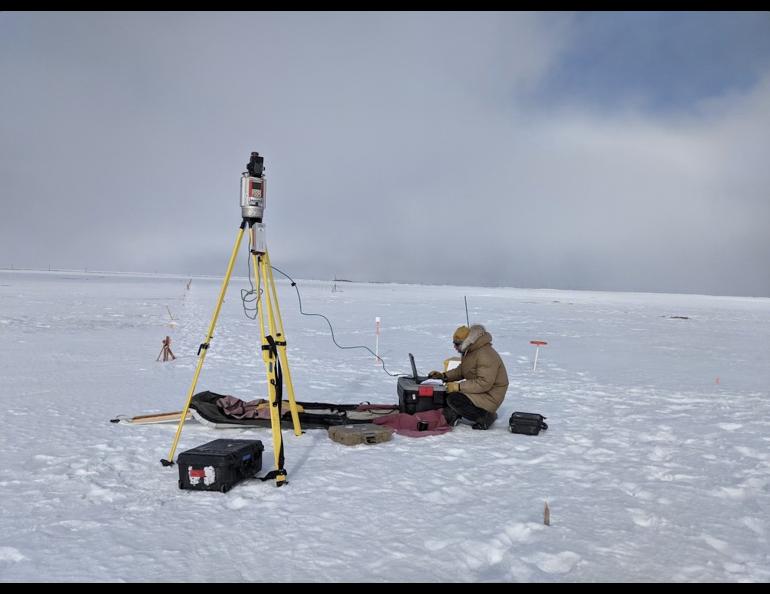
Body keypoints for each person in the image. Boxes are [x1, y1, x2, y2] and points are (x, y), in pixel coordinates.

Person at [428, 324, 509, 430]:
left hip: (490, 396)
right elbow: (462, 370)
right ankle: (454, 413)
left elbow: (484, 383)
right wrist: (443, 376)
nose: (454, 347)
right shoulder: (471, 351)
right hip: (480, 391)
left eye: (457, 344)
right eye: (454, 343)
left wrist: (458, 387)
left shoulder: (485, 355)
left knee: (454, 398)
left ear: (467, 341)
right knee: (446, 394)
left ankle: (485, 416)